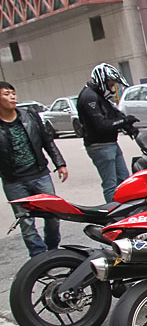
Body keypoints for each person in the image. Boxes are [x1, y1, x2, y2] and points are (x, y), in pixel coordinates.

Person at [0, 81, 68, 257]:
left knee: (53, 215)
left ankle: (52, 249)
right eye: (6, 94)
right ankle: (38, 257)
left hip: (39, 174)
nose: (12, 96)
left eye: (13, 93)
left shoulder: (29, 116)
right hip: (14, 181)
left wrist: (59, 163)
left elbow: (47, 141)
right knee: (26, 222)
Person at [78, 63, 137, 202]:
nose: (112, 87)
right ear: (102, 80)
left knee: (124, 180)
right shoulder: (89, 97)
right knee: (111, 184)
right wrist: (123, 122)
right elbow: (101, 125)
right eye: (110, 84)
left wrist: (128, 125)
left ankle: (126, 209)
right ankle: (115, 214)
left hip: (110, 143)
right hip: (100, 146)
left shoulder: (100, 95)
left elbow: (114, 113)